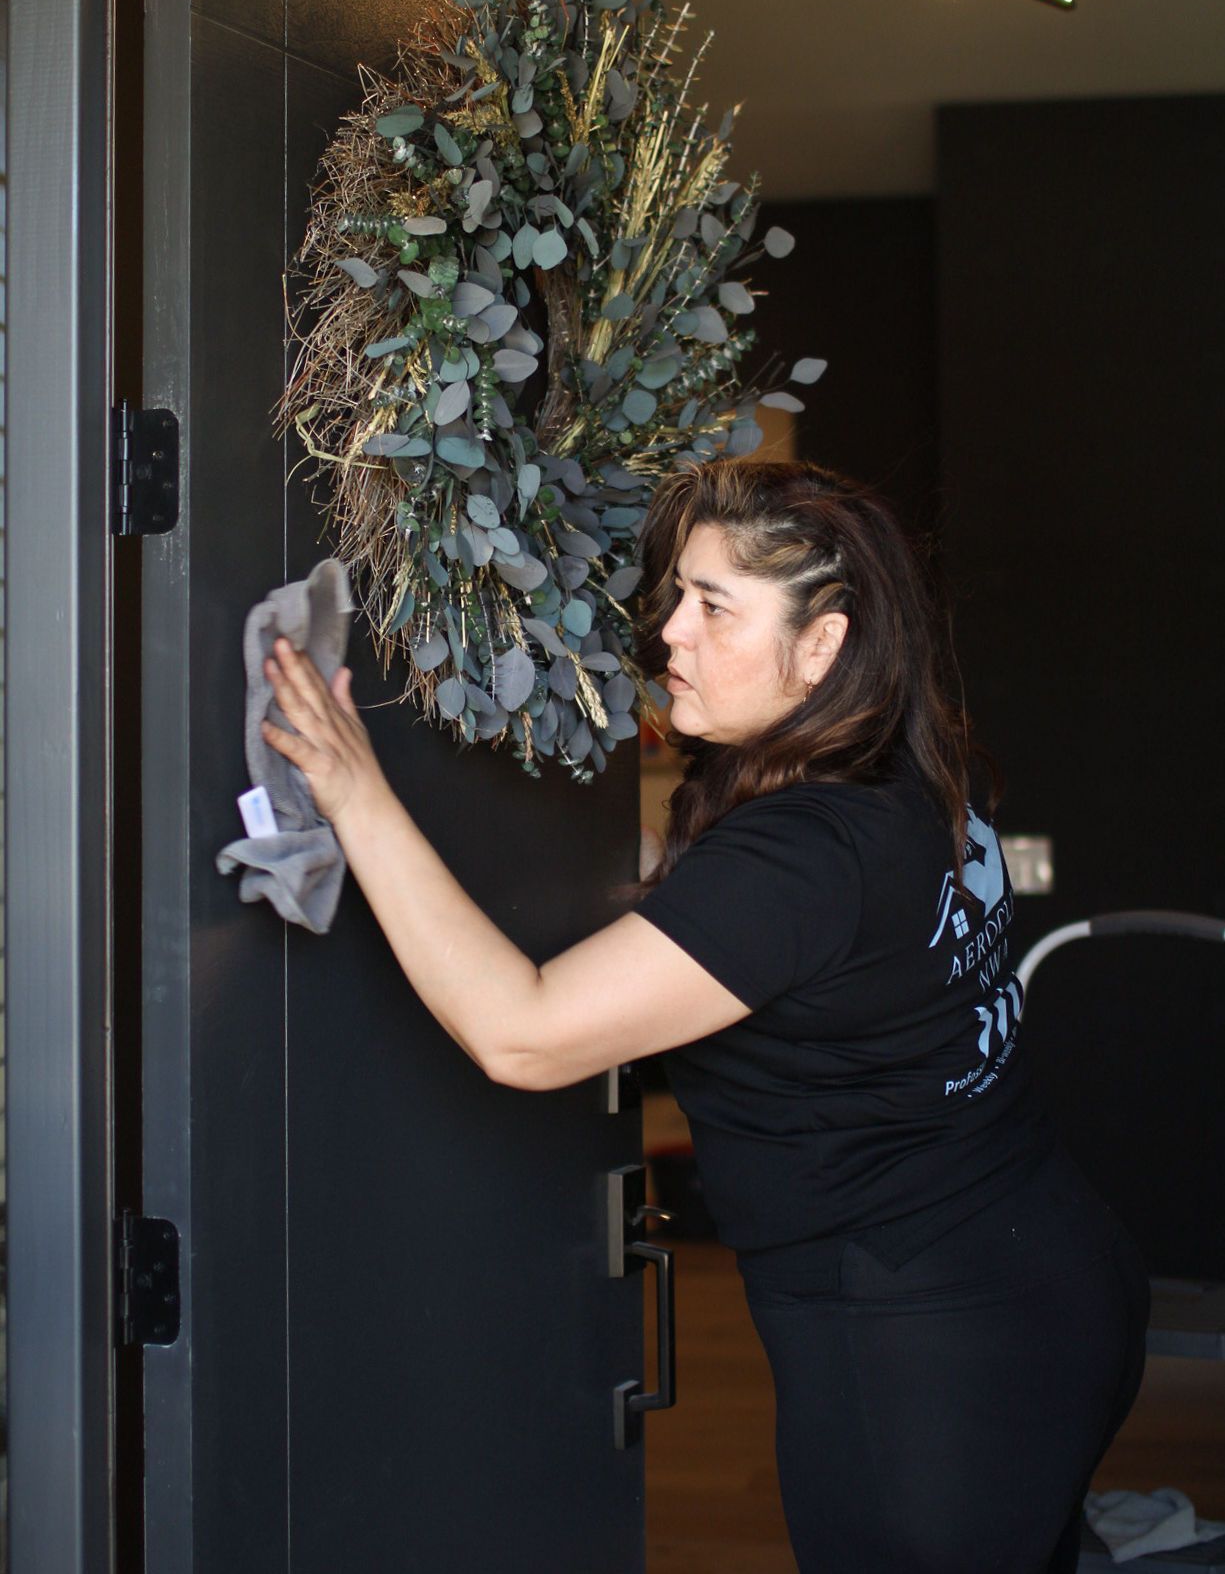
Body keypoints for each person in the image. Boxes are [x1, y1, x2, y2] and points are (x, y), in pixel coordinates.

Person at [261, 457, 1149, 1574]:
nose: (668, 631)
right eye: (676, 593)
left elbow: (521, 1035)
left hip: (932, 1347)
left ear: (822, 645)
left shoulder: (800, 856)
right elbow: (741, 932)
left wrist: (356, 792)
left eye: (712, 605)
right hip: (1049, 1274)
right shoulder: (906, 773)